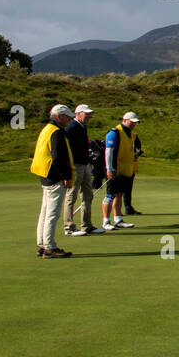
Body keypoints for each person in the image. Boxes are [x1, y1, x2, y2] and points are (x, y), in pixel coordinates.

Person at [32, 105, 75, 259]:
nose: (69, 120)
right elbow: (58, 157)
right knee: (52, 213)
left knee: (45, 212)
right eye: (67, 117)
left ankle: (42, 244)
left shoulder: (47, 129)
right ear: (58, 116)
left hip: (46, 175)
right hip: (55, 176)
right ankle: (49, 247)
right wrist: (66, 176)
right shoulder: (56, 132)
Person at [63, 104, 104, 236]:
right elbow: (66, 148)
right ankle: (69, 227)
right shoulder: (72, 127)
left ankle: (86, 225)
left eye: (90, 114)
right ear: (78, 113)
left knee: (87, 195)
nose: (89, 116)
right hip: (75, 166)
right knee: (72, 196)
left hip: (85, 165)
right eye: (87, 114)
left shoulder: (82, 127)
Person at [102, 112, 141, 231]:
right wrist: (109, 169)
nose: (134, 124)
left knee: (119, 194)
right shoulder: (115, 133)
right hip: (114, 170)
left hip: (126, 170)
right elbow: (109, 152)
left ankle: (118, 219)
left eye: (135, 122)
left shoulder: (132, 134)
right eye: (132, 121)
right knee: (110, 195)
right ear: (124, 120)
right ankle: (106, 221)